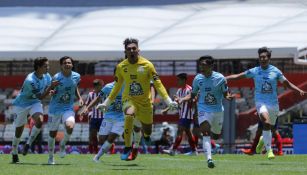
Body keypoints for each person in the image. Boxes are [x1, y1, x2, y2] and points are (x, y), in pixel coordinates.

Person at [97, 38, 177, 160]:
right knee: (129, 114)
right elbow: (117, 87)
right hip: (129, 100)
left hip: (145, 103)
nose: (132, 50)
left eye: (134, 48)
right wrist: (106, 103)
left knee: (148, 131)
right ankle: (128, 146)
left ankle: (146, 135)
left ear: (138, 50)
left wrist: (168, 101)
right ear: (125, 51)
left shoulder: (148, 65)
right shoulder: (121, 67)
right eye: (129, 49)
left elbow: (158, 84)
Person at [226, 47, 306, 160]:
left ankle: (262, 141)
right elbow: (238, 76)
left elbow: (287, 83)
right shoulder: (255, 71)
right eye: (260, 57)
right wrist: (225, 78)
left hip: (273, 104)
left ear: (269, 58)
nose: (262, 59)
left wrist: (298, 90)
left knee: (269, 128)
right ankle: (269, 151)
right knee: (266, 123)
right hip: (260, 103)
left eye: (264, 57)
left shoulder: (276, 71)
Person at [11, 57, 56, 163]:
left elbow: (48, 90)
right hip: (21, 104)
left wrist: (51, 91)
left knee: (40, 121)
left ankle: (28, 144)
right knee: (18, 131)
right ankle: (14, 152)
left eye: (48, 65)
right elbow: (41, 96)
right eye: (45, 66)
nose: (48, 68)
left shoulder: (47, 76)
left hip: (34, 102)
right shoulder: (30, 80)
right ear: (38, 67)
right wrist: (50, 88)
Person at [191, 55, 233, 168]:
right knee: (205, 132)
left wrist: (228, 96)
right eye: (200, 65)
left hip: (218, 111)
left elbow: (225, 93)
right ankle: (209, 159)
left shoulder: (220, 78)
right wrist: (192, 98)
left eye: (204, 65)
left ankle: (214, 143)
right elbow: (193, 93)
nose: (201, 67)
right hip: (203, 109)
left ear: (211, 66)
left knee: (215, 135)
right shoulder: (197, 79)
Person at [47, 56, 84, 165]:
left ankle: (62, 144)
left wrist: (80, 98)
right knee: (52, 134)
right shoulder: (56, 77)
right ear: (61, 65)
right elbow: (52, 89)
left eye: (69, 63)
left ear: (72, 65)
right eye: (65, 63)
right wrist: (52, 92)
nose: (67, 64)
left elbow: (75, 87)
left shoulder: (77, 76)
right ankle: (51, 157)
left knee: (70, 126)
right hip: (55, 109)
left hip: (68, 107)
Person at [162, 73, 197, 156]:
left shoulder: (190, 89)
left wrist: (194, 111)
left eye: (179, 80)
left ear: (184, 80)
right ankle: (194, 151)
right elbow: (176, 103)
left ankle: (173, 150)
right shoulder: (179, 90)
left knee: (179, 131)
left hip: (187, 114)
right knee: (188, 133)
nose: (177, 81)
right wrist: (166, 110)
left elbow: (194, 99)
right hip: (182, 114)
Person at [85, 79, 104, 154]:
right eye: (97, 87)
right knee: (93, 135)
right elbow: (86, 104)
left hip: (103, 118)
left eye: (100, 86)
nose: (98, 88)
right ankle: (95, 151)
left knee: (102, 137)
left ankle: (109, 148)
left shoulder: (105, 94)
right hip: (94, 117)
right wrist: (84, 111)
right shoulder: (90, 94)